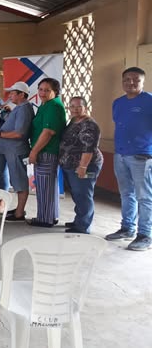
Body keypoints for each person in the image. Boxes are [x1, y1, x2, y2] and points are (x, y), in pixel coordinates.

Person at [106, 67, 152, 250]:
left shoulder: (149, 101)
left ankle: (145, 235)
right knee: (126, 194)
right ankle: (127, 228)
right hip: (121, 155)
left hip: (142, 155)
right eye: (127, 79)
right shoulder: (118, 103)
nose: (130, 82)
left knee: (144, 197)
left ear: (143, 82)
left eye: (136, 80)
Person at [0, 81, 34, 222]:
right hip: (12, 150)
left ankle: (19, 213)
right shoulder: (20, 107)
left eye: (13, 93)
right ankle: (18, 209)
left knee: (19, 181)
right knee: (16, 180)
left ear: (22, 95)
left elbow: (19, 133)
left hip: (16, 150)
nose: (10, 95)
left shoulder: (23, 109)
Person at [59, 97, 103, 234]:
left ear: (85, 107)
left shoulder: (89, 125)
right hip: (70, 165)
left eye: (79, 106)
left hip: (85, 165)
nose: (75, 109)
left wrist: (83, 167)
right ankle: (79, 220)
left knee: (83, 194)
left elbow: (88, 148)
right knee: (77, 194)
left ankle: (83, 226)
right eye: (72, 106)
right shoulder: (73, 121)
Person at [28, 77, 66, 228]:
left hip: (46, 151)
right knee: (49, 186)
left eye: (47, 90)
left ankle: (45, 219)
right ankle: (51, 215)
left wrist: (34, 151)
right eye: (41, 89)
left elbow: (48, 132)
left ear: (55, 91)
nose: (42, 93)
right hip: (44, 150)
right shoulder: (46, 105)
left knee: (45, 187)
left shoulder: (53, 106)